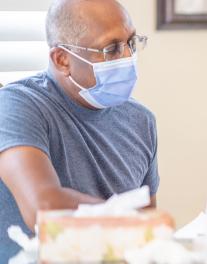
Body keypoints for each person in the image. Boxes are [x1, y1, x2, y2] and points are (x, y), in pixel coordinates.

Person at [0, 0, 158, 244]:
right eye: (111, 49)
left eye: (131, 43)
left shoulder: (141, 120)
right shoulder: (17, 105)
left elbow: (149, 230)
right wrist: (126, 218)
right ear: (62, 59)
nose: (128, 57)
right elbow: (44, 208)